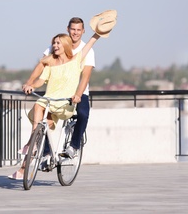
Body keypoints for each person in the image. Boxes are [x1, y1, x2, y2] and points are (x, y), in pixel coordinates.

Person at [8, 10, 116, 180]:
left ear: (82, 31)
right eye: (72, 29)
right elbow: (42, 66)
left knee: (82, 114)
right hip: (54, 94)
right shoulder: (56, 48)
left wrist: (78, 94)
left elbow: (85, 76)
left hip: (74, 94)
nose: (75, 32)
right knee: (43, 114)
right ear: (68, 30)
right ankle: (40, 152)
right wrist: (30, 83)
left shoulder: (79, 56)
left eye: (78, 30)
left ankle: (73, 146)